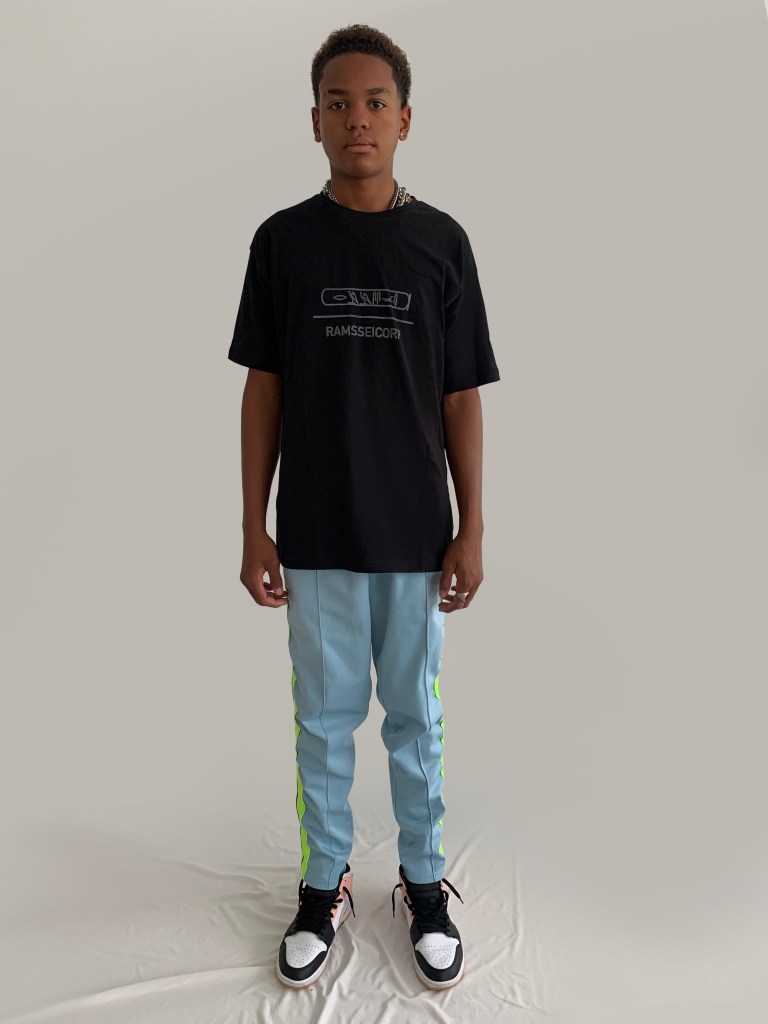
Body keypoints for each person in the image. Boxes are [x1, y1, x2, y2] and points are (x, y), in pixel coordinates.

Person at [228, 23, 500, 992]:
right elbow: (264, 387)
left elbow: (460, 396)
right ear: (314, 121)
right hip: (315, 531)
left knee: (415, 722)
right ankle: (324, 882)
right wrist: (253, 523)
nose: (358, 119)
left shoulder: (441, 243)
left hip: (415, 535)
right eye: (338, 103)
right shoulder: (282, 241)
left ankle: (423, 883)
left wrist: (471, 525)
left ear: (405, 119)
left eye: (375, 103)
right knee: (324, 720)